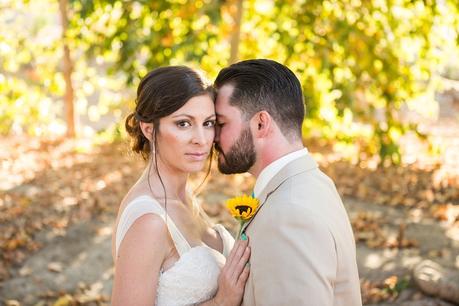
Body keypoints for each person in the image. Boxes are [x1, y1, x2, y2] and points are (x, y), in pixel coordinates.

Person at [214, 59, 362, 306]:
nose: (213, 137)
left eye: (221, 123)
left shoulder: (288, 214)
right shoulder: (312, 182)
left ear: (261, 123)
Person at [111, 66, 250, 306]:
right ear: (149, 129)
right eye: (183, 124)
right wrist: (221, 302)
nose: (201, 139)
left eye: (208, 123)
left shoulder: (185, 197)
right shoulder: (149, 220)